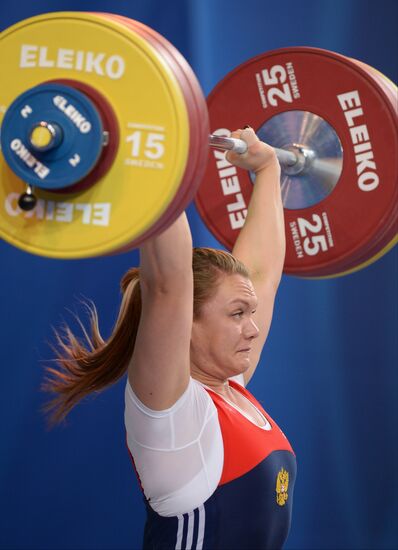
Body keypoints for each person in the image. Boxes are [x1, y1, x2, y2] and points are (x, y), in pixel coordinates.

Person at [44, 127, 296, 549]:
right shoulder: (175, 416)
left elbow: (264, 277)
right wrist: (156, 160)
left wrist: (268, 169)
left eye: (249, 313)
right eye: (237, 314)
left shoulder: (232, 390)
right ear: (186, 323)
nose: (253, 327)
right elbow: (168, 283)